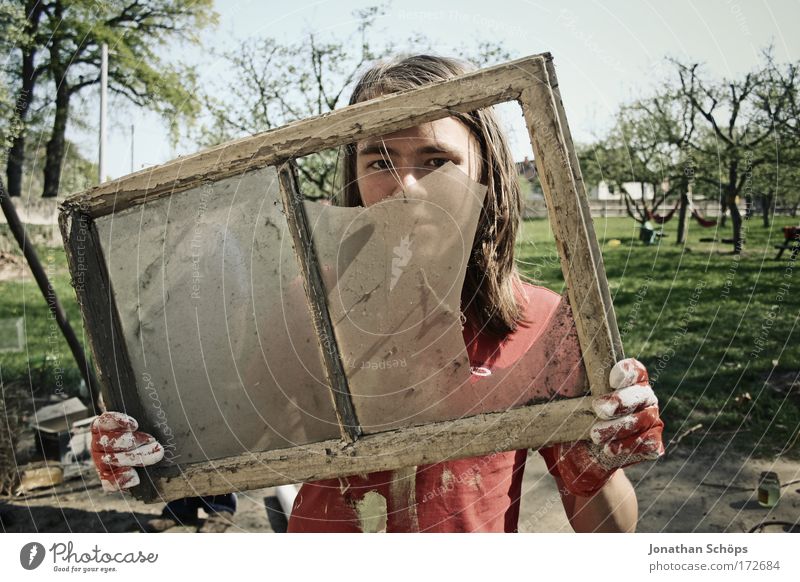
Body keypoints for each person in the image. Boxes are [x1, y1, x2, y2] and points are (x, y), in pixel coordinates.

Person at [91, 54, 664, 533]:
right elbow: (233, 437)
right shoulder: (308, 306)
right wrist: (148, 446)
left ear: (487, 172)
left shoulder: (541, 322)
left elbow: (610, 531)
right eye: (380, 160)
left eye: (437, 161)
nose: (407, 187)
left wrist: (603, 455)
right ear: (354, 173)